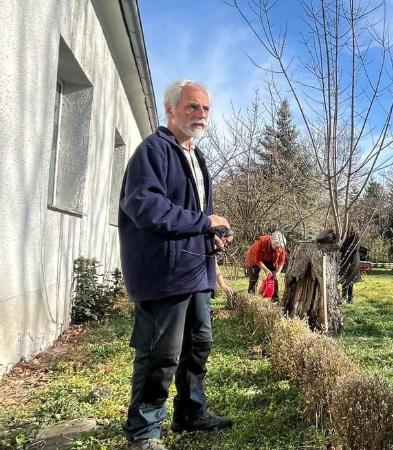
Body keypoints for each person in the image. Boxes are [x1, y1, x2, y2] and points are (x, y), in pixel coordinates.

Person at [119, 79, 233, 450]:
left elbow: (194, 215)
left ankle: (190, 412)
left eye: (205, 108)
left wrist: (212, 234)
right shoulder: (153, 151)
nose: (200, 114)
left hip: (196, 270)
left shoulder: (196, 158)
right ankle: (144, 432)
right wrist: (203, 223)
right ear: (170, 111)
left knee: (199, 344)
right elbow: (145, 207)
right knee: (161, 354)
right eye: (192, 107)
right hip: (164, 273)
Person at [244, 231, 287, 301]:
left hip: (269, 258)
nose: (278, 249)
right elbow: (258, 260)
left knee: (274, 276)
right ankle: (250, 299)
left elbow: (282, 261)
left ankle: (275, 300)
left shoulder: (281, 245)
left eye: (280, 247)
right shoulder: (263, 242)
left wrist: (278, 272)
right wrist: (266, 270)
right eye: (276, 247)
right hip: (254, 257)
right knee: (253, 279)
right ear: (272, 242)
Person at [338, 225, 362, 303]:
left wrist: (344, 248)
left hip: (353, 260)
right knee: (344, 278)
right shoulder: (344, 237)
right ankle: (344, 297)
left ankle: (350, 298)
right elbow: (341, 248)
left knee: (350, 278)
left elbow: (355, 248)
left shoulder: (355, 237)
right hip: (345, 259)